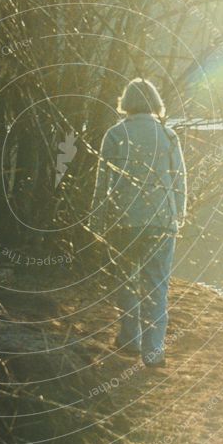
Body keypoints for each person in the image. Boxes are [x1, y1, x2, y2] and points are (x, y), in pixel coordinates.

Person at [90, 78, 187, 367]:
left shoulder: (115, 134)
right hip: (160, 221)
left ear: (126, 103)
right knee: (157, 285)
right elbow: (179, 179)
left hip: (124, 220)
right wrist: (177, 215)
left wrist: (97, 220)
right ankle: (153, 351)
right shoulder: (168, 136)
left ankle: (130, 338)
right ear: (156, 103)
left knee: (127, 281)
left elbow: (103, 182)